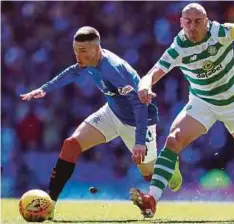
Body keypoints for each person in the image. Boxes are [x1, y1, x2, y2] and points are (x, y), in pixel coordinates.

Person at [129, 3, 234, 220]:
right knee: (174, 139)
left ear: (206, 21)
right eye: (188, 22)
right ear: (181, 23)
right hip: (203, 103)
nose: (193, 26)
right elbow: (153, 73)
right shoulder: (178, 47)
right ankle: (152, 199)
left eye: (198, 21)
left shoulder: (222, 32)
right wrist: (145, 85)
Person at [20, 26, 183, 220]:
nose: (77, 55)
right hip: (112, 113)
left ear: (97, 49)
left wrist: (139, 141)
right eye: (75, 49)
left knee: (148, 175)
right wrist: (45, 88)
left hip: (138, 122)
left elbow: (140, 105)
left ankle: (169, 168)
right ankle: (52, 202)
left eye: (82, 50)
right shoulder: (88, 60)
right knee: (71, 144)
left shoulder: (113, 69)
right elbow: (73, 72)